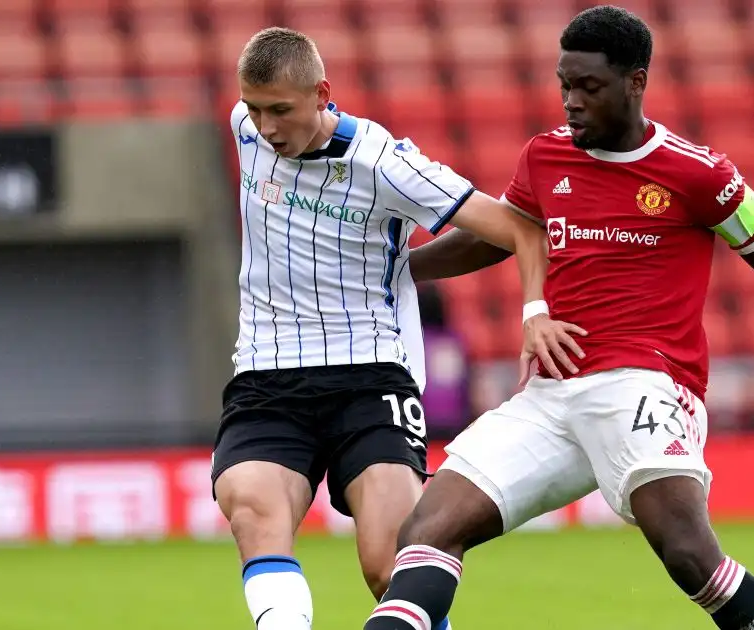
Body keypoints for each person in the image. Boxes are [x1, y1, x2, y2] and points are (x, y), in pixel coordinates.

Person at [363, 6, 754, 630]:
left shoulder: (700, 174)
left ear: (635, 81)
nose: (571, 102)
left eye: (588, 87)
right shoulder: (545, 157)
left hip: (646, 383)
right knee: (424, 532)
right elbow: (500, 237)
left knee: (688, 555)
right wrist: (397, 269)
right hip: (549, 394)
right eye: (564, 85)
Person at [212, 27, 584, 630]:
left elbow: (519, 227)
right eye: (255, 109)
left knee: (391, 563)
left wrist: (534, 311)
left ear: (321, 93)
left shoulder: (384, 164)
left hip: (369, 378)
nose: (267, 126)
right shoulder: (245, 129)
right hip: (266, 375)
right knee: (254, 514)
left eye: (281, 109)